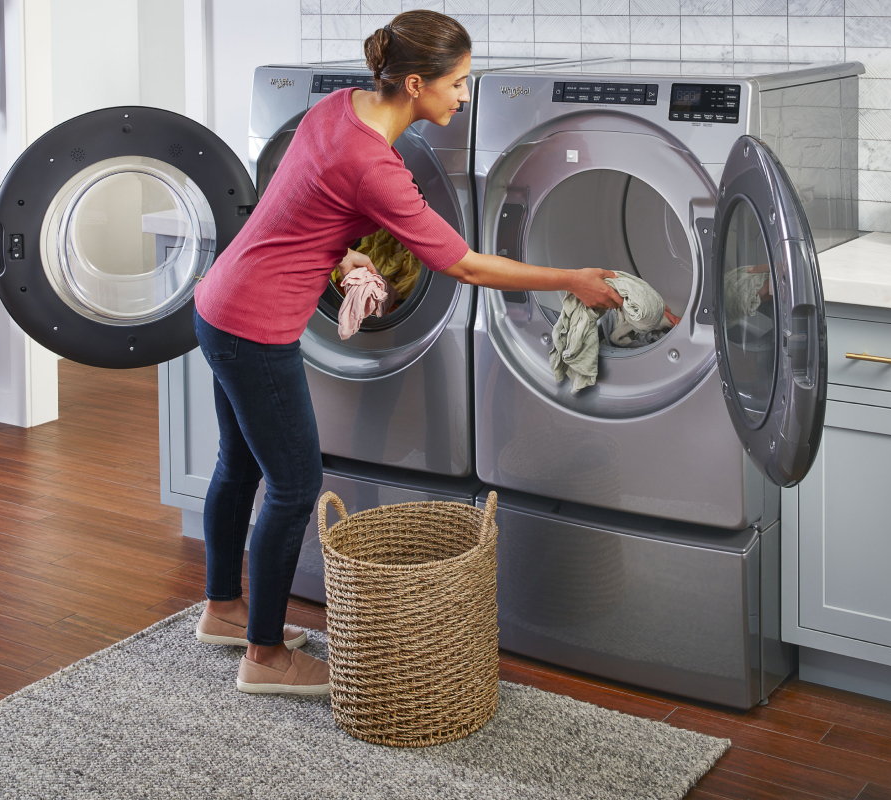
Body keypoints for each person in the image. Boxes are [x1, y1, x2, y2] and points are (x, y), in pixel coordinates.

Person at [189, 9, 623, 695]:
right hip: (257, 327)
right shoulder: (374, 166)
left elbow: (295, 203)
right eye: (458, 83)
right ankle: (264, 658)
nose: (464, 97)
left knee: (238, 466)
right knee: (295, 486)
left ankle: (222, 610)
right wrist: (571, 279)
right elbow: (466, 265)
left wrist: (341, 253)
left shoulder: (335, 108)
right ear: (416, 83)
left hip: (219, 303)